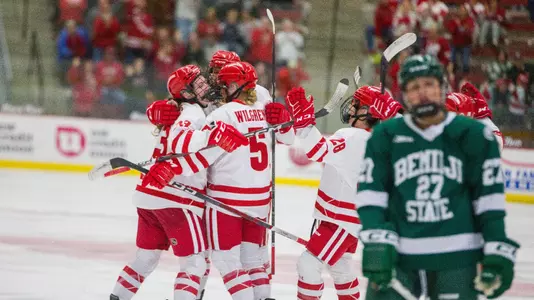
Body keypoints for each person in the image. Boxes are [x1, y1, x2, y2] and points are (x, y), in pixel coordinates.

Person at [356, 54, 519, 300]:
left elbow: (489, 201)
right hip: (401, 251)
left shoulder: (475, 136)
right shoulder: (385, 136)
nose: (422, 93)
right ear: (405, 94)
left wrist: (497, 249)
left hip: (457, 254)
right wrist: (376, 239)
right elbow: (372, 195)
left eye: (429, 84)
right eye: (414, 87)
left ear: (442, 88)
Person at [110, 65, 248, 300]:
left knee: (146, 258)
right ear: (186, 94)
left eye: (205, 81)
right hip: (175, 198)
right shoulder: (192, 112)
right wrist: (210, 137)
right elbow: (179, 142)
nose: (207, 86)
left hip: (149, 195)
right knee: (194, 263)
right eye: (200, 85)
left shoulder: (191, 109)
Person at [276, 85, 402, 300]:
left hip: (339, 220)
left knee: (308, 264)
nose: (350, 107)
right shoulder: (379, 141)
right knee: (341, 269)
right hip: (348, 218)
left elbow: (317, 150)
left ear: (367, 111)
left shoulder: (353, 136)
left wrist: (305, 122)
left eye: (356, 103)